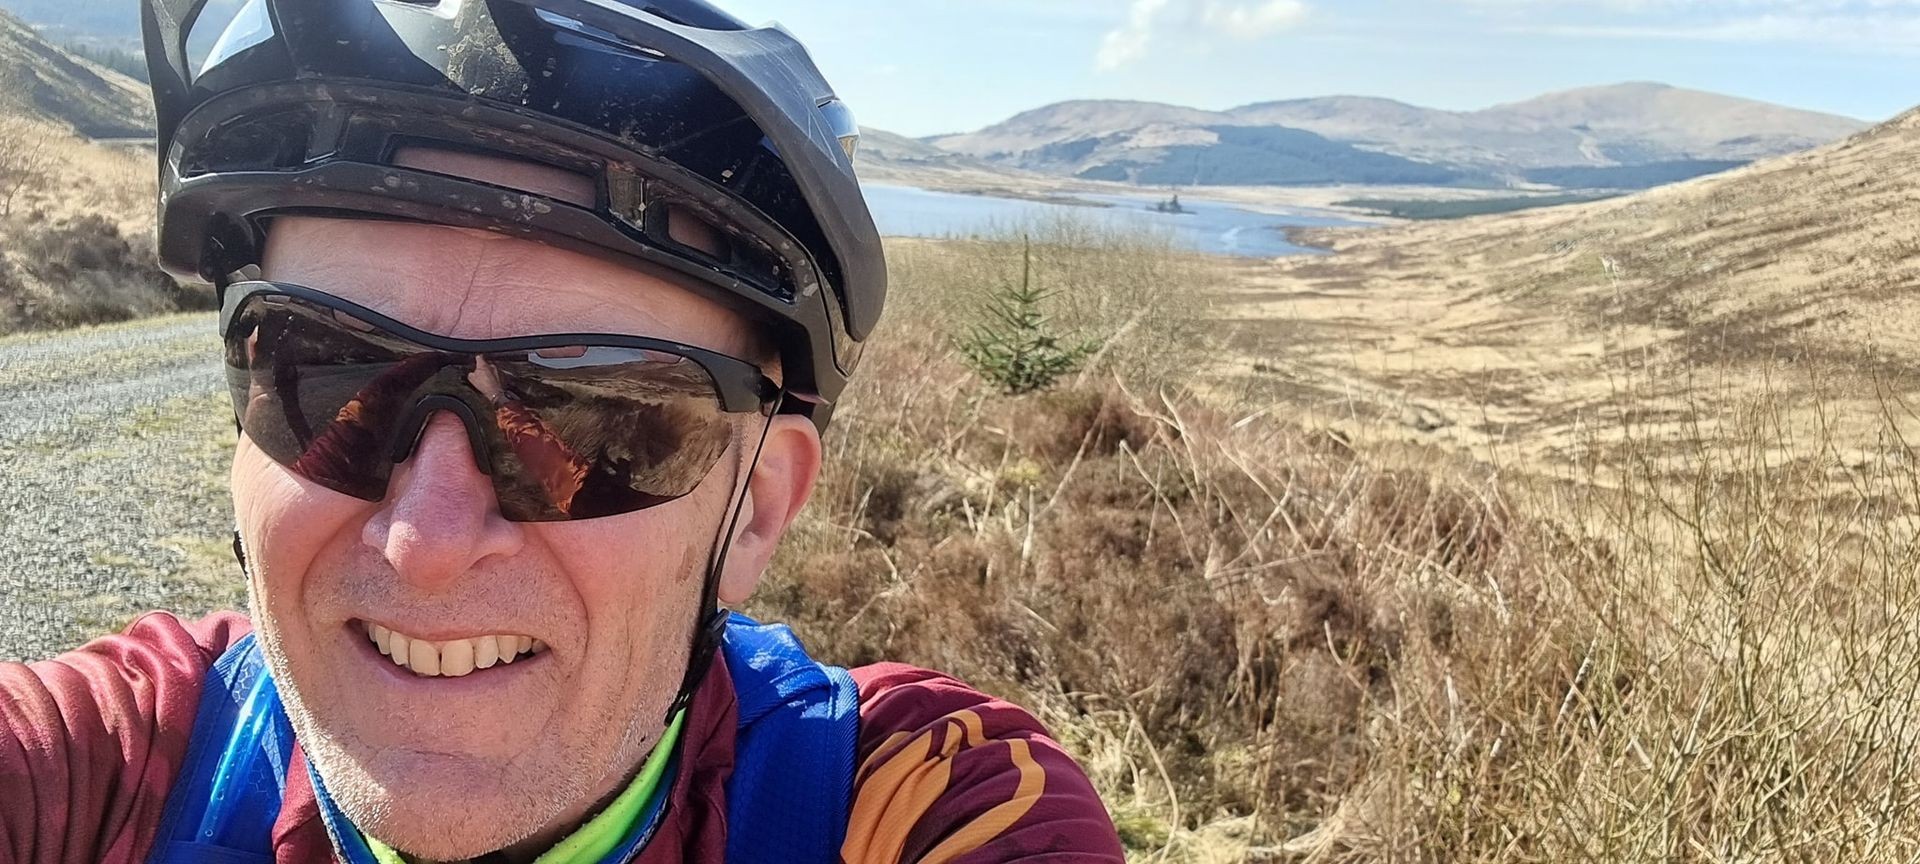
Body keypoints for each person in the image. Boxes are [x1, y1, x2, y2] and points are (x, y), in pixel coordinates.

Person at [0, 1, 1127, 862]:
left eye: (596, 413)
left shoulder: (910, 803)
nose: (425, 544)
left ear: (759, 507)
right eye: (322, 370)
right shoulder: (114, 763)